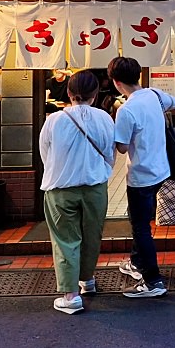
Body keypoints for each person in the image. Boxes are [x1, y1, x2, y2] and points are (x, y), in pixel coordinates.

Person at [38, 70, 115, 315]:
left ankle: (70, 295)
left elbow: (45, 154)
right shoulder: (104, 118)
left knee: (66, 240)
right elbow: (110, 153)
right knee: (92, 234)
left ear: (69, 93)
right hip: (95, 187)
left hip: (60, 188)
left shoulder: (54, 120)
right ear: (95, 94)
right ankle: (87, 280)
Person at [109, 55, 175, 299]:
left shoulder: (126, 110)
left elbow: (121, 148)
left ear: (116, 83)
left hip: (141, 176)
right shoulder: (156, 96)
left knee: (140, 228)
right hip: (161, 169)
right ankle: (136, 263)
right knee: (140, 222)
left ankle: (153, 281)